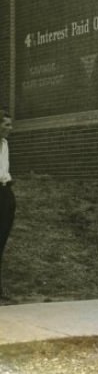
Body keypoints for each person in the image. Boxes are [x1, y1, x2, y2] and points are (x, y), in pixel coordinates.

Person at [0, 109, 15, 299]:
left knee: (1, 241)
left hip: (5, 193)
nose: (10, 128)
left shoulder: (5, 144)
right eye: (6, 124)